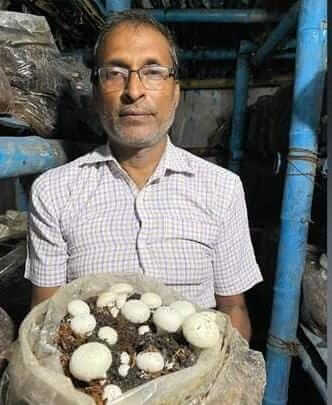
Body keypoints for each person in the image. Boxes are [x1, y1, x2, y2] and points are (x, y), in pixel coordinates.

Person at [25, 10, 262, 342]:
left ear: (176, 92)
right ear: (95, 94)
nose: (133, 90)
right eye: (115, 72)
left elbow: (233, 309)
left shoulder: (222, 189)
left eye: (152, 71)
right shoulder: (53, 192)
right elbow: (45, 319)